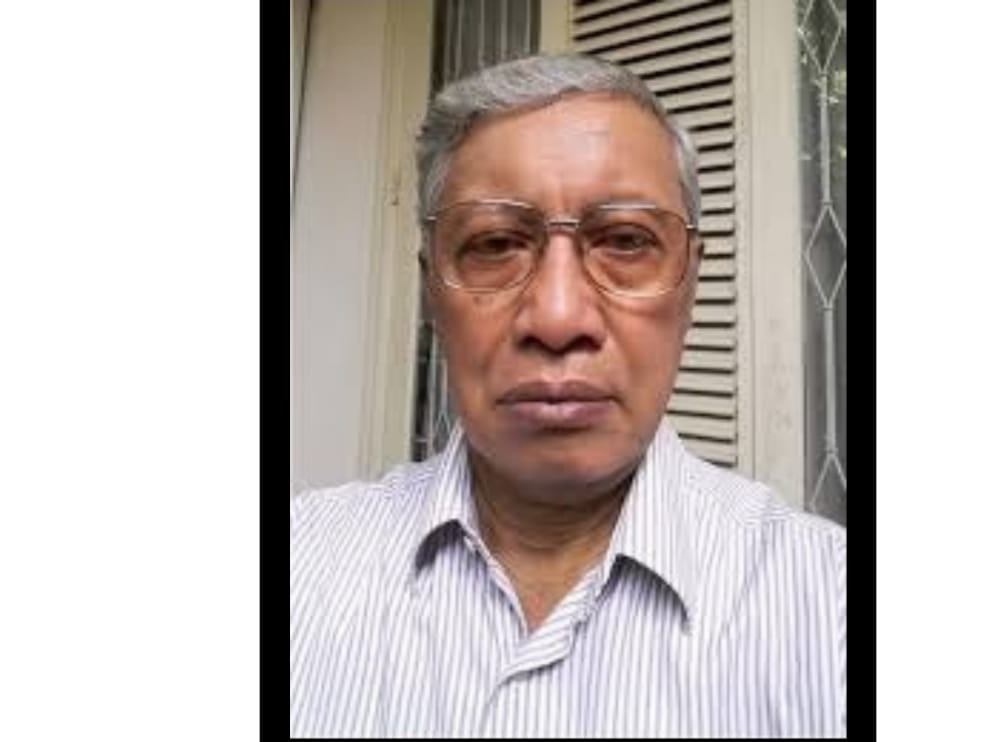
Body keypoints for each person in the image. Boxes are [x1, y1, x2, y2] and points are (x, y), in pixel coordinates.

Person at [290, 53, 846, 737]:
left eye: (626, 241)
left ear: (690, 284)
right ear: (431, 290)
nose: (557, 319)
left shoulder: (831, 609)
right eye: (495, 243)